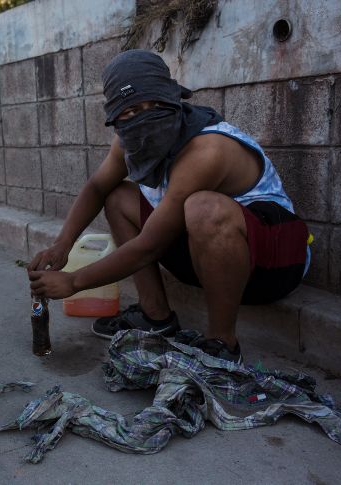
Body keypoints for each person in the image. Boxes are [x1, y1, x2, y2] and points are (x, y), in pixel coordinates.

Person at [28, 50, 311, 364]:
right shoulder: (127, 142)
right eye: (131, 111)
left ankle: (222, 345)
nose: (143, 116)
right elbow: (97, 186)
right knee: (117, 196)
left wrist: (74, 281)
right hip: (206, 257)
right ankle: (156, 316)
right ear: (117, 116)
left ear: (173, 99)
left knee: (202, 207)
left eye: (154, 105)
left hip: (274, 265)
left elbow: (149, 246)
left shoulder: (206, 150)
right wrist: (62, 244)